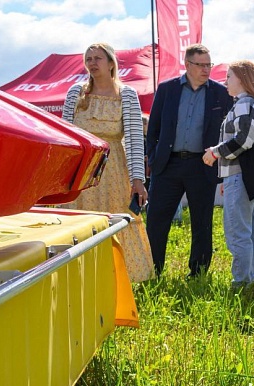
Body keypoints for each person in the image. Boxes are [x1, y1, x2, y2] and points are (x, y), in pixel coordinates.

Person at [62, 42, 154, 282]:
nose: (92, 63)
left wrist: (137, 180)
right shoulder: (76, 92)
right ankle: (79, 275)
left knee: (115, 218)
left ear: (111, 63)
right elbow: (65, 136)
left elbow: (134, 139)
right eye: (88, 58)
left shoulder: (127, 95)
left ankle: (120, 276)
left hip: (113, 167)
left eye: (97, 58)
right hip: (81, 167)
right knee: (79, 219)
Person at [145, 44, 233, 277]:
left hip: (202, 165)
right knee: (156, 221)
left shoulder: (220, 93)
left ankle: (199, 272)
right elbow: (153, 128)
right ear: (187, 64)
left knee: (202, 221)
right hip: (167, 165)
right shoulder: (166, 90)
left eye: (209, 65)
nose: (206, 69)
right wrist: (153, 158)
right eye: (201, 65)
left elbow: (228, 131)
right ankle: (153, 270)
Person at [202, 60, 254, 288]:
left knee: (238, 231)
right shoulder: (251, 104)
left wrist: (215, 152)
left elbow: (243, 140)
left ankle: (241, 281)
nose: (225, 81)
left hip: (240, 175)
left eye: (229, 77)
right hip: (247, 176)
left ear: (242, 78)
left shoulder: (244, 104)